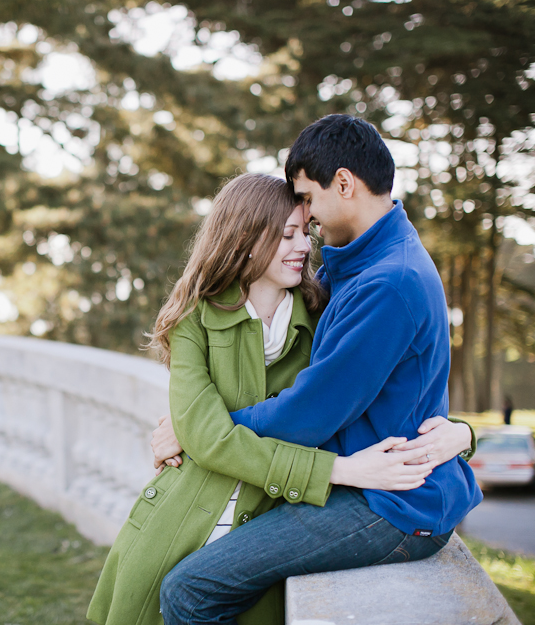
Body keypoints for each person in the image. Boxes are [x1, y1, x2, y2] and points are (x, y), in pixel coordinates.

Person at [86, 173, 471, 625]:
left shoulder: (323, 310)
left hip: (267, 517)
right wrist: (199, 430)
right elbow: (210, 439)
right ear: (245, 238)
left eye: (303, 232)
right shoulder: (192, 318)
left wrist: (462, 432)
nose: (304, 246)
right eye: (286, 235)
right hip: (181, 517)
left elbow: (397, 384)